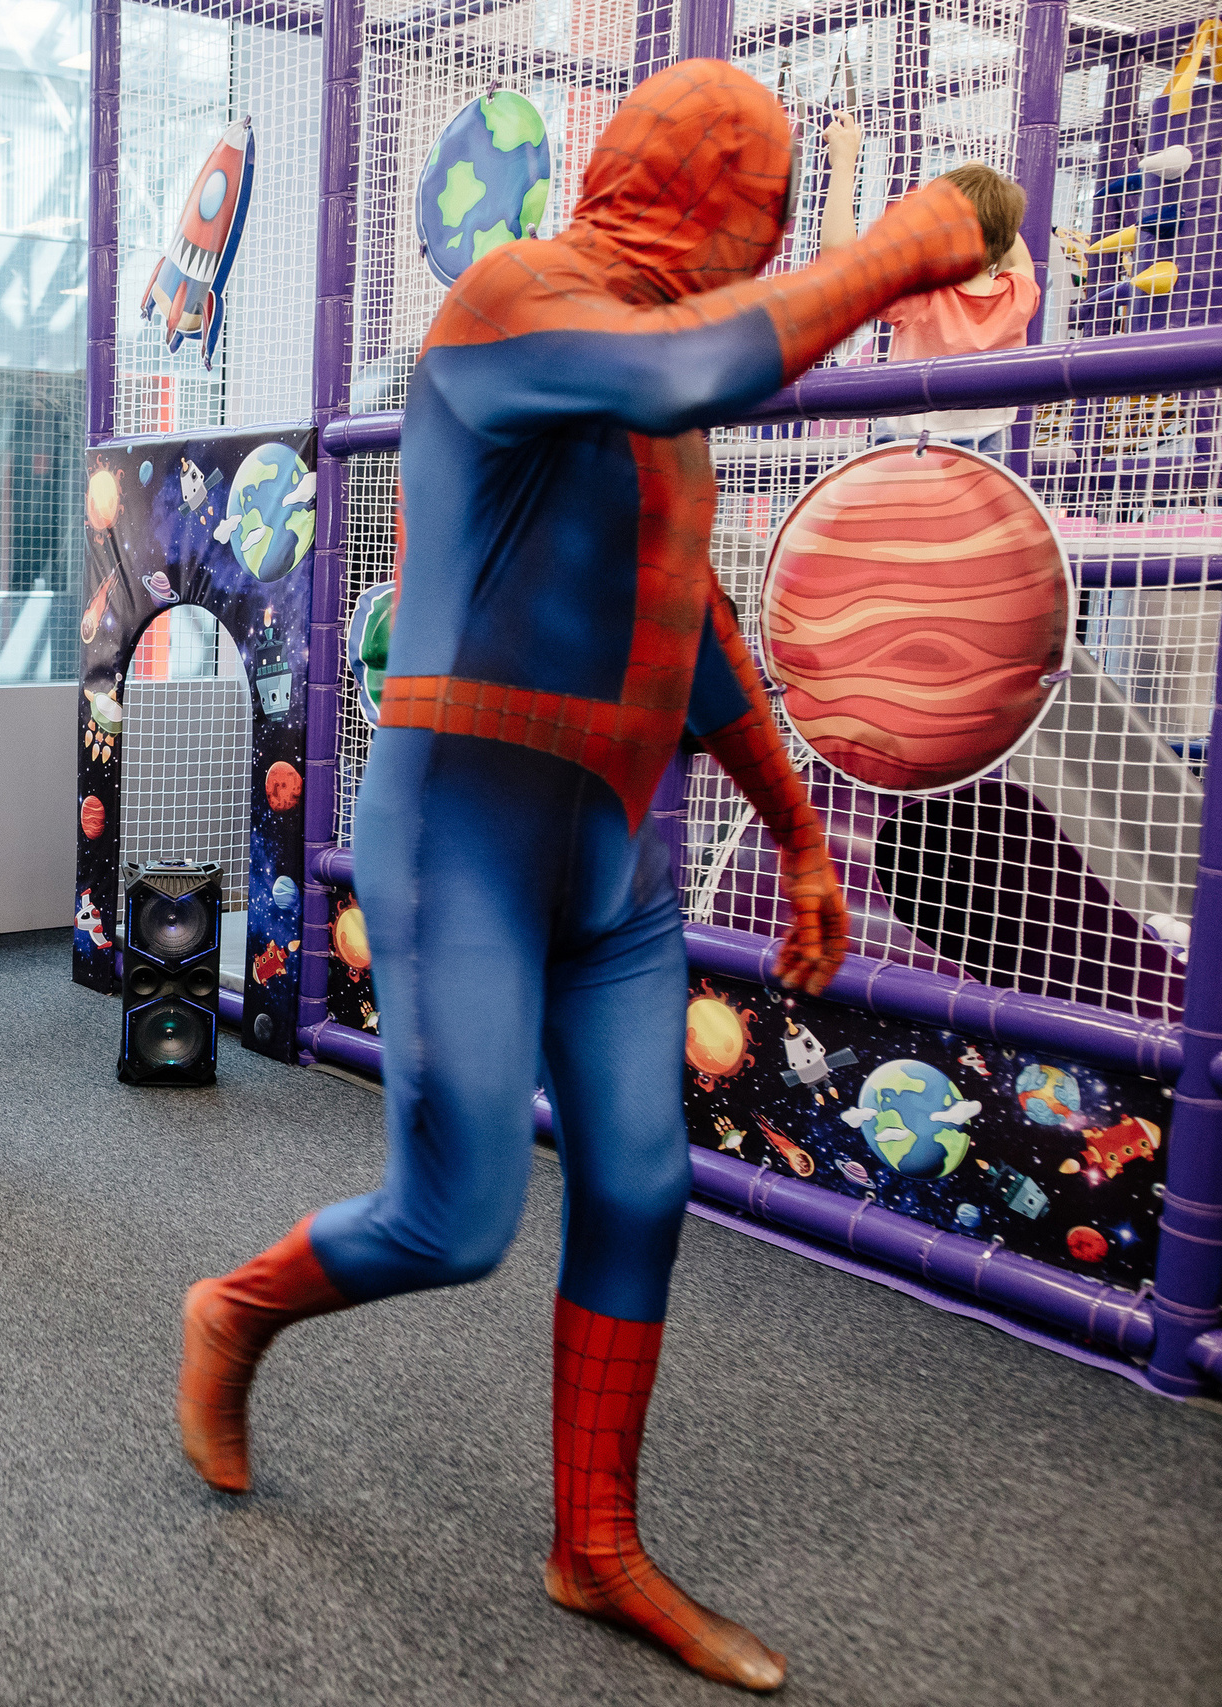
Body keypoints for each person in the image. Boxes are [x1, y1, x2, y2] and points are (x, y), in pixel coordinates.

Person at [172, 61, 989, 1693]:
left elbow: (698, 633)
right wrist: (910, 243)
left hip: (613, 860)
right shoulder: (517, 308)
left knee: (640, 1184)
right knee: (454, 1215)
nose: (766, 251)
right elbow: (702, 358)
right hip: (461, 837)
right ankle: (234, 1311)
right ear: (705, 199)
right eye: (761, 217)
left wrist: (808, 837)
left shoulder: (655, 403)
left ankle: (593, 1538)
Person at [822, 113, 1040, 453]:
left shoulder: (923, 297)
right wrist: (987, 195)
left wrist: (844, 162)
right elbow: (1015, 255)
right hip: (992, 449)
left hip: (913, 448)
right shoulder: (1018, 297)